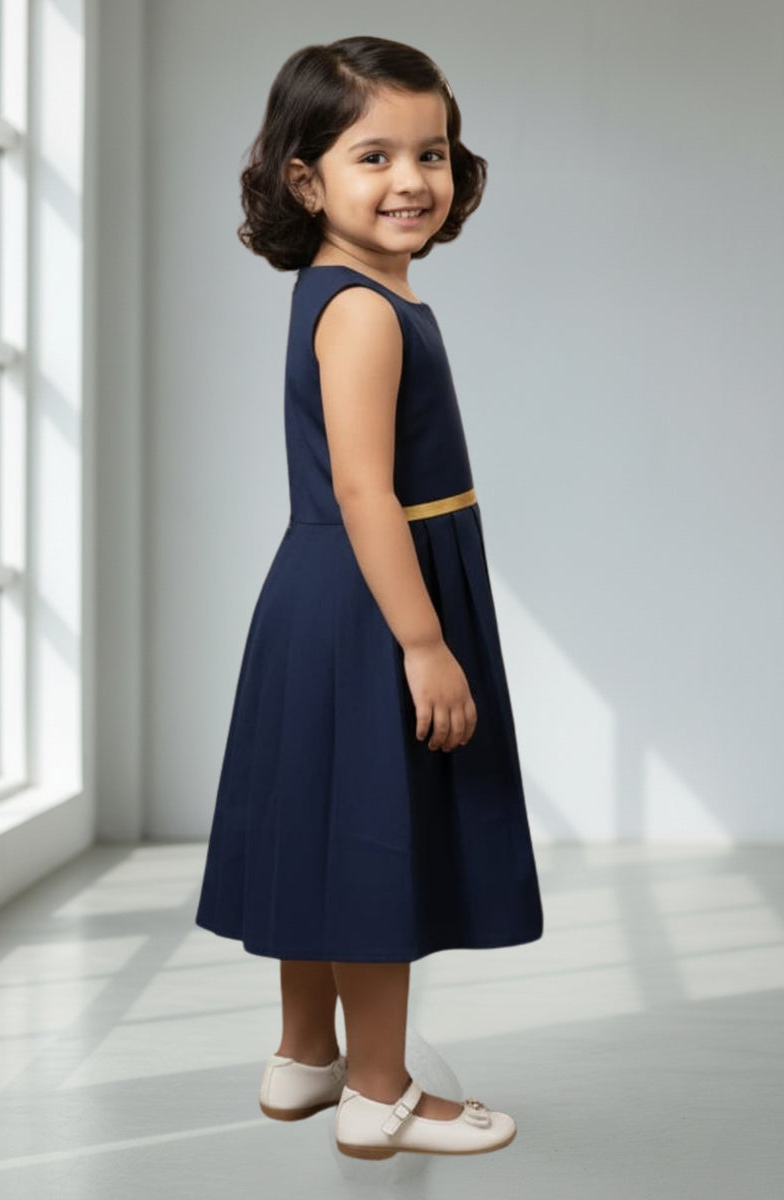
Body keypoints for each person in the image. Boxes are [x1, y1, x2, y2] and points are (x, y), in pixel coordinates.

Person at [194, 35, 543, 1160]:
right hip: (371, 598)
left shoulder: (346, 293)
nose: (411, 181)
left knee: (322, 829)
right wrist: (425, 643)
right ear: (307, 179)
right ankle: (380, 1090)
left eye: (430, 152)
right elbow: (362, 485)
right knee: (374, 843)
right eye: (373, 155)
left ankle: (307, 1057)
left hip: (330, 589)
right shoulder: (364, 311)